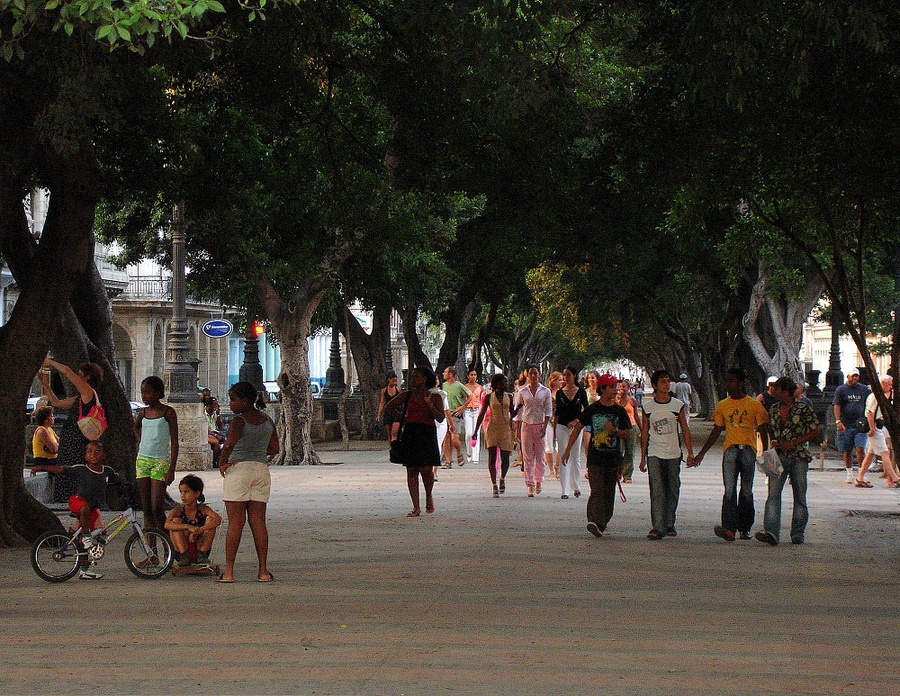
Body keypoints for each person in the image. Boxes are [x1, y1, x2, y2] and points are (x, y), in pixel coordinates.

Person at [694, 368, 770, 542]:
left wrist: (764, 453)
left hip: (748, 451)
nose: (728, 384)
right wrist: (702, 453)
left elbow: (762, 430)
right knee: (729, 490)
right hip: (730, 450)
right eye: (727, 381)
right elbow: (716, 431)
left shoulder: (754, 404)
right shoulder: (723, 405)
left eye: (732, 380)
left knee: (746, 491)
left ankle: (745, 528)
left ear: (741, 382)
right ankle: (729, 528)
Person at [31, 441, 122, 580]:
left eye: (97, 451)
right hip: (78, 501)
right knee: (85, 516)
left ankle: (84, 570)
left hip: (93, 509)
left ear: (104, 455)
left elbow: (118, 479)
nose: (93, 454)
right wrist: (41, 467)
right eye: (90, 452)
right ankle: (85, 537)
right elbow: (60, 469)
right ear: (85, 456)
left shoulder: (107, 471)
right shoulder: (81, 469)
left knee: (84, 540)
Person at [217, 381, 279, 583]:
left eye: (233, 399)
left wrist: (222, 461)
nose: (231, 404)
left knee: (236, 522)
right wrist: (257, 451)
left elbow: (230, 444)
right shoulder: (267, 420)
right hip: (261, 469)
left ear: (244, 400)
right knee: (258, 522)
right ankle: (262, 570)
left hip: (239, 469)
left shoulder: (239, 421)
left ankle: (228, 572)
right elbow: (274, 448)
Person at [562, 373, 631, 537]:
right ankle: (593, 521)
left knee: (608, 493)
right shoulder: (592, 409)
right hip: (595, 457)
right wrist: (567, 450)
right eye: (612, 387)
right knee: (597, 490)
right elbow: (578, 428)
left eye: (615, 386)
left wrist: (614, 431)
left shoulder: (619, 411)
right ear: (603, 389)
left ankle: (602, 522)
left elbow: (627, 434)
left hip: (613, 458)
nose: (615, 390)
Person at [756, 376, 820, 546]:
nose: (773, 392)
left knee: (799, 495)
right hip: (778, 455)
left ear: (785, 391)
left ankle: (798, 532)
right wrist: (774, 441)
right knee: (773, 494)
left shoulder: (803, 408)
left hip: (798, 456)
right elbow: (769, 428)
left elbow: (815, 430)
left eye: (777, 389)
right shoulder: (774, 409)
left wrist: (794, 442)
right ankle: (771, 531)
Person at [36, 358, 105, 503]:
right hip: (71, 439)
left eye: (80, 375)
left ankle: (74, 501)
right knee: (66, 469)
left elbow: (67, 372)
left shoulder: (88, 392)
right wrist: (45, 386)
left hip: (76, 440)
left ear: (87, 377)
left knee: (72, 469)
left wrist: (51, 362)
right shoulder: (80, 398)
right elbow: (57, 403)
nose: (78, 378)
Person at [639, 369, 695, 540]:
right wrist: (643, 457)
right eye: (662, 381)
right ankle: (657, 526)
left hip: (673, 454)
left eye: (668, 381)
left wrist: (690, 453)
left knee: (672, 489)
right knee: (657, 490)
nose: (666, 384)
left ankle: (669, 522)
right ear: (655, 385)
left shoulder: (677, 405)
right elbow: (645, 433)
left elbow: (685, 430)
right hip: (655, 453)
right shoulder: (648, 407)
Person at [385, 366, 445, 516]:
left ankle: (429, 495)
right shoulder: (407, 395)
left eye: (416, 377)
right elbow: (389, 406)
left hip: (427, 432)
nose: (412, 379)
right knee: (411, 469)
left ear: (425, 379)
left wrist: (429, 404)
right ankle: (416, 507)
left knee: (426, 469)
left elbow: (440, 417)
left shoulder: (435, 396)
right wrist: (403, 418)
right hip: (411, 432)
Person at [133, 376, 179, 534]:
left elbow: (175, 442)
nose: (144, 396)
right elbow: (136, 428)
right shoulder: (143, 413)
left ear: (158, 392)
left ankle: (168, 546)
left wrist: (171, 469)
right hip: (143, 460)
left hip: (161, 461)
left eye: (147, 392)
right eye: (142, 392)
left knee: (156, 507)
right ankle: (151, 552)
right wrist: (140, 440)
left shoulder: (168, 413)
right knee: (146, 508)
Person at [474, 373, 521, 497]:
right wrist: (475, 431)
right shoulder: (489, 397)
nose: (506, 384)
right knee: (492, 457)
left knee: (505, 458)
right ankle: (494, 484)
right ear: (498, 384)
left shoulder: (509, 396)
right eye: (504, 382)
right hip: (493, 428)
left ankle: (502, 478)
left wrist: (519, 407)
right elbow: (482, 413)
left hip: (505, 429)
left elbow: (512, 413)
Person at [165, 474, 222, 570]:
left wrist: (200, 529)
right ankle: (184, 555)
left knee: (211, 521)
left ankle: (201, 554)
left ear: (197, 493)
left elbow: (218, 519)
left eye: (187, 492)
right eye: (181, 492)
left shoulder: (203, 509)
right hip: (181, 551)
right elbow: (167, 524)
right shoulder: (177, 511)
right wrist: (187, 526)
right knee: (175, 522)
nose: (183, 496)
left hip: (200, 548)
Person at [514, 365, 553, 497]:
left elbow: (548, 410)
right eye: (530, 373)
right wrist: (517, 429)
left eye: (535, 373)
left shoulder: (545, 391)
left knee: (540, 456)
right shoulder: (522, 391)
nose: (533, 376)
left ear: (539, 374)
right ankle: (529, 484)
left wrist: (545, 426)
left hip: (540, 424)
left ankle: (539, 481)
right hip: (526, 425)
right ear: (527, 375)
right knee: (527, 456)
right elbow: (518, 411)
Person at [858, 375, 899, 488]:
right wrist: (871, 428)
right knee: (885, 453)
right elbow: (870, 413)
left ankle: (860, 477)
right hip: (875, 426)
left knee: (871, 454)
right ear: (883, 384)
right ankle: (895, 478)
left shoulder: (881, 396)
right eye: (889, 384)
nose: (891, 387)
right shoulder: (875, 396)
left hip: (878, 426)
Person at [833, 367, 871, 484]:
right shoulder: (841, 390)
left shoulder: (864, 389)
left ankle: (861, 473)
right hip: (846, 424)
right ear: (848, 377)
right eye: (853, 376)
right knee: (847, 450)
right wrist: (838, 421)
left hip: (860, 424)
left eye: (857, 376)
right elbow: (837, 405)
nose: (855, 378)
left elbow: (870, 402)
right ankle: (849, 472)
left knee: (860, 448)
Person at [555, 366, 588, 499]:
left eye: (568, 374)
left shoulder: (581, 392)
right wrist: (554, 428)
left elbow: (586, 410)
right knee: (563, 455)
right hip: (562, 426)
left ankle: (577, 486)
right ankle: (565, 490)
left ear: (574, 376)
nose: (566, 377)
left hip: (576, 427)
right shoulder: (559, 393)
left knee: (575, 456)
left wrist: (576, 422)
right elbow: (557, 411)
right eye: (564, 375)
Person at [442, 367, 469, 467]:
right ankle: (448, 461)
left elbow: (470, 397)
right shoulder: (443, 386)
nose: (443, 374)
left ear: (450, 374)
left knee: (454, 439)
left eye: (445, 372)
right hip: (445, 415)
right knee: (446, 438)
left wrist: (463, 407)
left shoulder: (459, 386)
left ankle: (458, 452)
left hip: (455, 415)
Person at [615, 380, 641, 484]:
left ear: (628, 388)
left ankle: (627, 475)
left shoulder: (632, 401)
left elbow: (636, 416)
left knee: (630, 452)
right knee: (619, 452)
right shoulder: (615, 401)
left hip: (631, 428)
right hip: (619, 429)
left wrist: (642, 429)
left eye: (624, 387)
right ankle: (618, 472)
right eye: (620, 387)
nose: (622, 389)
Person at [462, 370, 485, 467]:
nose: (473, 376)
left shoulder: (480, 388)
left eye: (475, 375)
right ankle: (469, 452)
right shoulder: (464, 387)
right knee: (468, 434)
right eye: (471, 375)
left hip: (477, 410)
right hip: (467, 411)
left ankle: (475, 457)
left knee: (476, 433)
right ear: (468, 376)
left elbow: (483, 399)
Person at [544, 371, 563, 479]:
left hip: (560, 421)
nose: (562, 382)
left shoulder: (562, 393)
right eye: (559, 380)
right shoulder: (547, 392)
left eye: (562, 379)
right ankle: (551, 470)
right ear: (553, 381)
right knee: (548, 447)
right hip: (549, 421)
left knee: (559, 446)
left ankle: (557, 467)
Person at [376, 372, 402, 442]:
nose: (394, 383)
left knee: (395, 432)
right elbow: (382, 402)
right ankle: (391, 448)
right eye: (393, 381)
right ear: (389, 380)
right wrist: (379, 415)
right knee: (389, 433)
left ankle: (395, 446)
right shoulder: (384, 390)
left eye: (395, 381)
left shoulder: (398, 389)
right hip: (387, 412)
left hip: (396, 412)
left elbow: (401, 401)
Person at [204, 396, 225, 467]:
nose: (216, 407)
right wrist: (215, 435)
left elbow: (221, 427)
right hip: (206, 433)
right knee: (216, 442)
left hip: (215, 432)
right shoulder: (202, 413)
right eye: (214, 405)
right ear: (209, 405)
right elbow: (205, 430)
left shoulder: (215, 413)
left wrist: (218, 415)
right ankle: (214, 461)